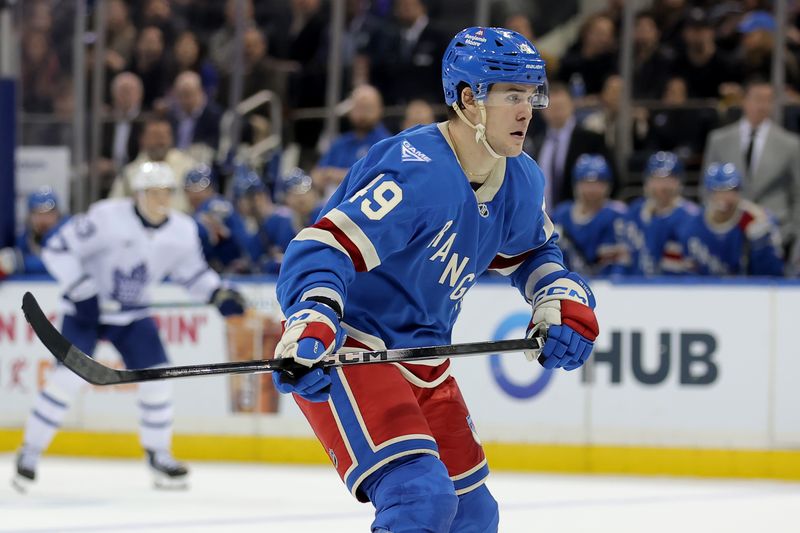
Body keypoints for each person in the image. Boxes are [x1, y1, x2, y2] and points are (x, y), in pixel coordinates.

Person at [269, 27, 600, 532]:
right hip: (352, 349)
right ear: (468, 99)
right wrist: (314, 314)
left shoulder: (522, 177)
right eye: (511, 95)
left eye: (531, 95)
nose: (525, 110)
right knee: (418, 499)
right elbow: (323, 245)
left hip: (426, 361)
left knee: (473, 514)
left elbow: (534, 252)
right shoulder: (415, 170)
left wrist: (555, 296)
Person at [12, 162, 246, 493]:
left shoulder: (181, 230)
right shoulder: (106, 217)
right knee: (65, 380)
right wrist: (82, 290)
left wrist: (216, 292)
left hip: (132, 316)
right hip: (86, 312)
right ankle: (30, 452)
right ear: (137, 194)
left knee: (158, 379)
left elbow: (192, 273)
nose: (160, 200)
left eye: (166, 192)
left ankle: (159, 454)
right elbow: (57, 248)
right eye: (152, 193)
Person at [682, 163, 784, 276]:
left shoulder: (755, 219)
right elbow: (688, 274)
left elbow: (771, 274)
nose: (725, 197)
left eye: (731, 190)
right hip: (706, 289)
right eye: (719, 190)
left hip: (746, 289)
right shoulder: (693, 223)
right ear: (710, 193)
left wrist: (761, 245)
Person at [552, 154, 629, 276]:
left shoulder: (616, 215)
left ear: (608, 186)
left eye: (598, 183)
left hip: (606, 287)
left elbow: (619, 263)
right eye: (585, 182)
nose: (591, 189)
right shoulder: (561, 214)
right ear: (575, 184)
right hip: (565, 285)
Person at [627, 151, 699, 276]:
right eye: (656, 179)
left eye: (669, 179)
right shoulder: (634, 211)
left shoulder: (691, 216)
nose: (662, 186)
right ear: (647, 182)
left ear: (679, 182)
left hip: (675, 289)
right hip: (634, 288)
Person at [184, 165, 251, 273]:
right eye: (190, 190)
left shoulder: (216, 204)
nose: (194, 194)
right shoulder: (193, 213)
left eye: (200, 189)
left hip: (236, 266)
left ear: (211, 189)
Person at [0, 188, 67, 278]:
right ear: (30, 216)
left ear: (58, 214)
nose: (43, 219)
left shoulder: (68, 232)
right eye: (38, 214)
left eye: (49, 213)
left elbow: (61, 263)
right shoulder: (25, 235)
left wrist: (20, 263)